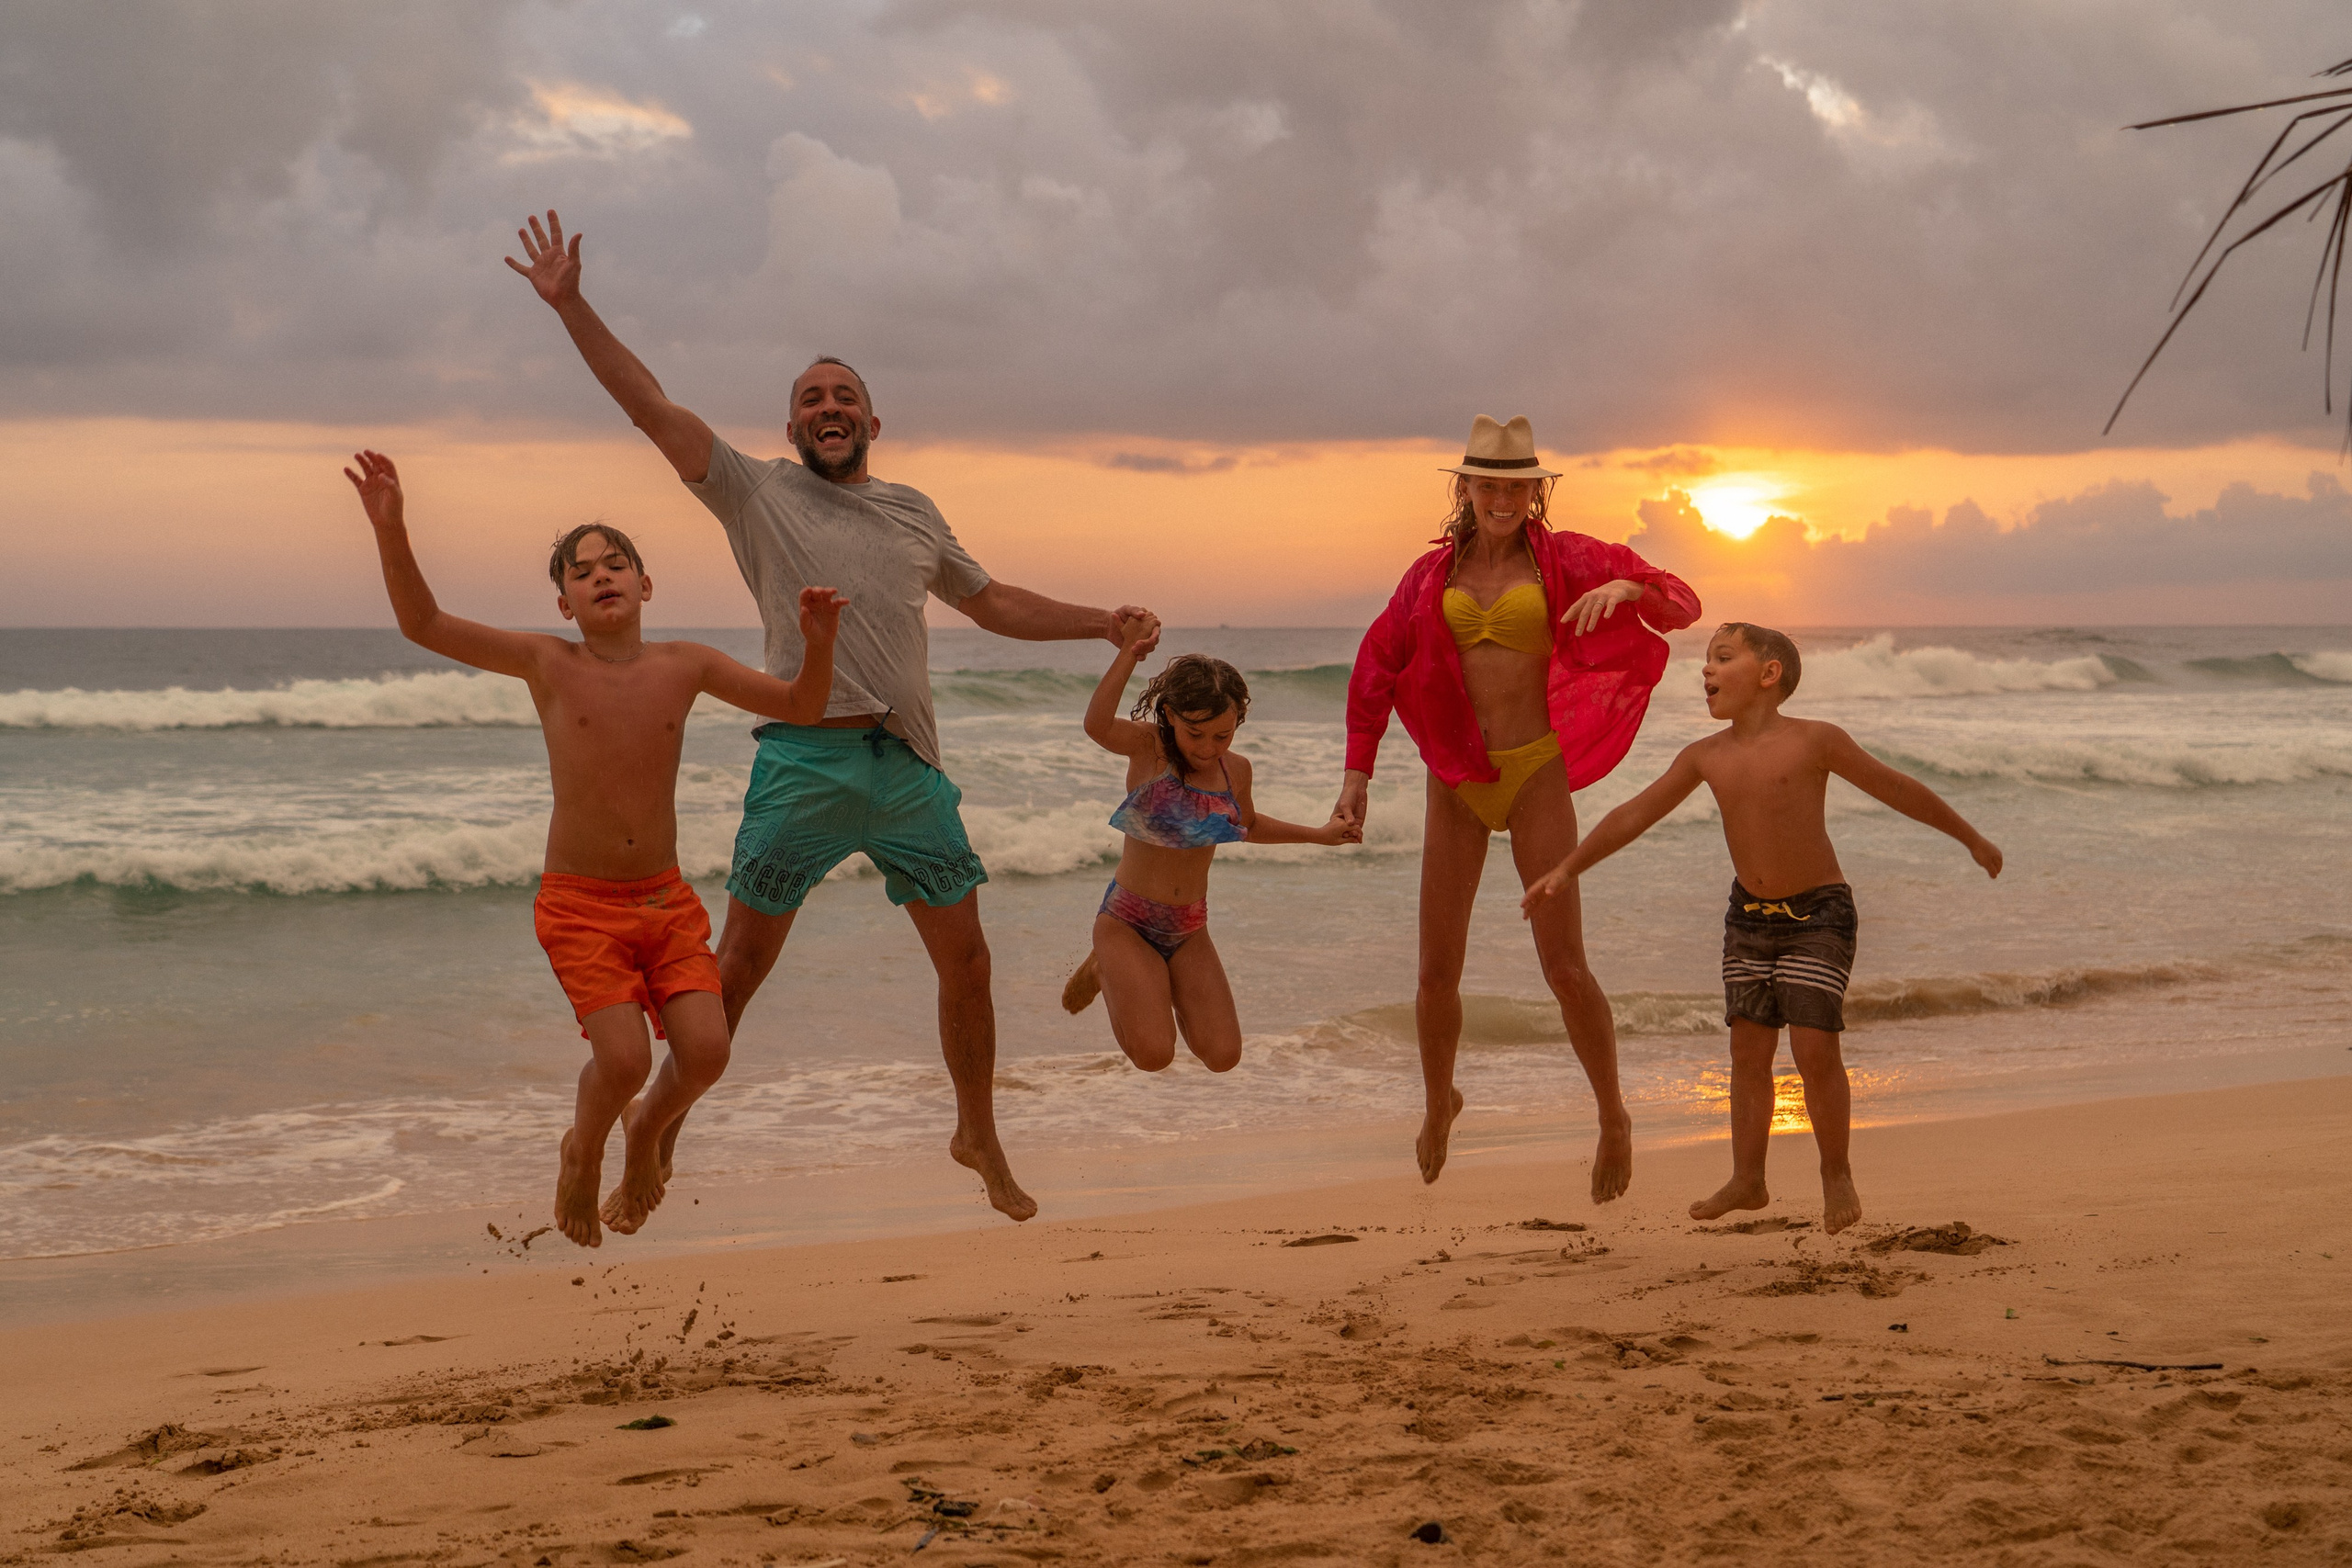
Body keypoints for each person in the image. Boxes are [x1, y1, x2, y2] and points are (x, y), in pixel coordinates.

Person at [505, 210, 1149, 1225]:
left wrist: (1099, 625)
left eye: (845, 396)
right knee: (736, 977)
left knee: (968, 960)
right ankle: (655, 1122)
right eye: (811, 399)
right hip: (801, 763)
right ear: (793, 427)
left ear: (873, 423)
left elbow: (991, 604)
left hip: (905, 766)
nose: (828, 407)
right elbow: (647, 405)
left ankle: (975, 1127)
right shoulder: (754, 495)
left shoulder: (914, 513)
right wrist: (571, 304)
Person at [340, 449, 846, 1249]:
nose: (601, 574)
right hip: (581, 905)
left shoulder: (686, 664)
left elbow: (802, 707)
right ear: (565, 602)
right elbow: (423, 624)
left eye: (617, 563)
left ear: (646, 586)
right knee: (621, 1061)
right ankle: (582, 1152)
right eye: (582, 571)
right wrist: (392, 528)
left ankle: (643, 1139)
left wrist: (818, 643)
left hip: (666, 899)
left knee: (707, 1053)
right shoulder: (549, 662)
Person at [1522, 622, 2003, 1234]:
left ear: (1769, 674)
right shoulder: (1705, 755)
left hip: (1819, 915)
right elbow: (1634, 813)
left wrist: (1971, 839)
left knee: (1812, 1045)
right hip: (1748, 916)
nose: (1707, 671)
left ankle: (1835, 1171)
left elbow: (1898, 788)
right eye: (1707, 661)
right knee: (1747, 1051)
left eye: (1723, 657)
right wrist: (1566, 867)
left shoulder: (1815, 741)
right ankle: (1749, 1176)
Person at [1337, 414, 1701, 1197]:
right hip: (1458, 779)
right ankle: (1440, 1103)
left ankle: (1614, 1116)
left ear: (1535, 492)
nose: (1502, 499)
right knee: (1437, 971)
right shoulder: (1429, 577)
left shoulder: (1568, 558)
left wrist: (1627, 584)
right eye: (1487, 485)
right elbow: (1377, 662)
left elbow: (1681, 601)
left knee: (1564, 966)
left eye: (1516, 487)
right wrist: (1357, 771)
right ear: (1463, 489)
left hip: (1536, 771)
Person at [1060, 617, 1361, 1070]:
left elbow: (1249, 824)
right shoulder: (1150, 749)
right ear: (1169, 717)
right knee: (1154, 1054)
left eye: (1222, 735)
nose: (1207, 747)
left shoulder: (1234, 771)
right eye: (1195, 733)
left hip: (1189, 926)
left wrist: (1319, 835)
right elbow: (1096, 724)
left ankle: (1138, 976)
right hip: (1128, 920)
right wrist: (1130, 652)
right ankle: (1106, 964)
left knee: (1223, 1056)